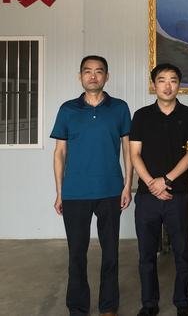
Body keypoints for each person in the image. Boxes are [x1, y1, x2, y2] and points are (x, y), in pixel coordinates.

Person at [51, 55, 133, 316]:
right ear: (80, 76)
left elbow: (128, 150)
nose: (93, 76)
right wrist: (60, 192)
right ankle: (77, 307)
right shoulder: (67, 110)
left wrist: (127, 185)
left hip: (111, 190)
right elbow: (59, 153)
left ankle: (108, 306)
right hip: (75, 192)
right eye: (87, 71)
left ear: (107, 76)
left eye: (99, 71)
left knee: (111, 253)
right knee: (76, 253)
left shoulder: (120, 108)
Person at [129, 63, 188, 316]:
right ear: (154, 85)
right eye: (162, 80)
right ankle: (149, 304)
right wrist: (152, 183)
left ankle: (182, 303)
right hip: (147, 196)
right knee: (146, 254)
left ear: (179, 85)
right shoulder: (141, 116)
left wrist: (166, 180)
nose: (167, 86)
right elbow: (134, 154)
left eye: (173, 80)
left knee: (183, 253)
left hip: (178, 195)